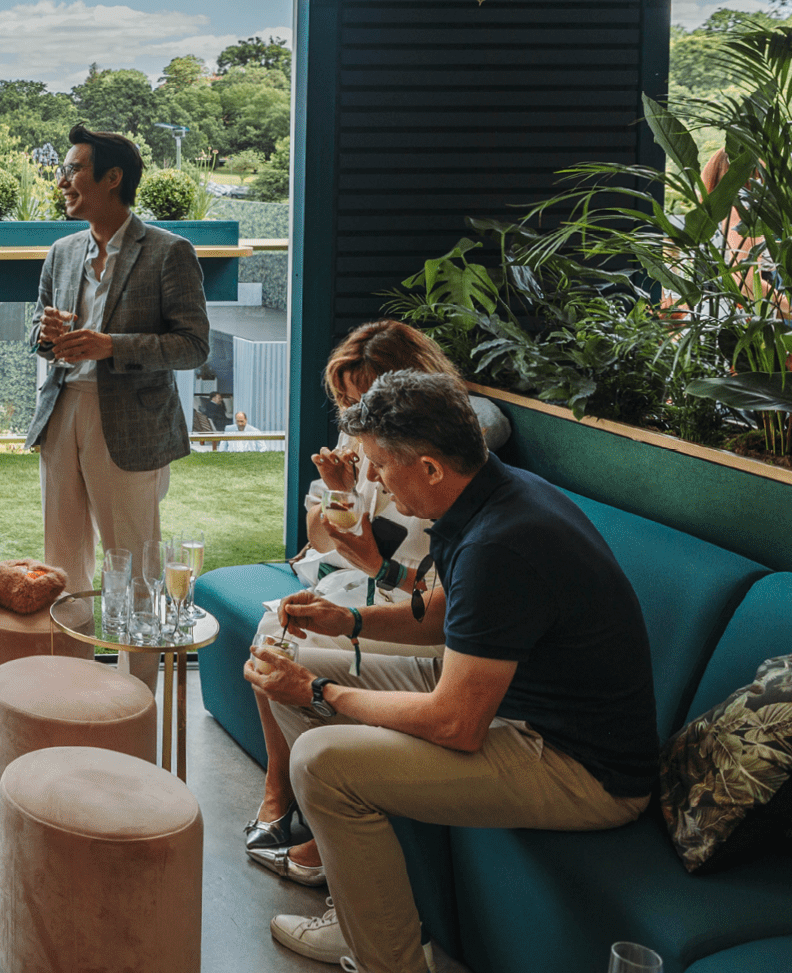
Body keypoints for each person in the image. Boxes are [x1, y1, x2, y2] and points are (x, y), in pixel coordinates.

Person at [245, 371, 659, 973]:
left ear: (432, 468)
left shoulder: (503, 544)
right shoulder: (493, 494)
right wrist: (347, 622)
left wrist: (319, 690)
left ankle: (390, 959)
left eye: (380, 467)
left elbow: (456, 723)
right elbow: (441, 617)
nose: (374, 481)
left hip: (582, 768)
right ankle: (366, 911)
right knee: (293, 664)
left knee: (320, 761)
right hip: (511, 704)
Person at [245, 320, 474, 887]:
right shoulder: (358, 442)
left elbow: (433, 594)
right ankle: (285, 791)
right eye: (345, 401)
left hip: (404, 596)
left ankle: (323, 821)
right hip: (359, 583)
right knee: (275, 635)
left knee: (285, 642)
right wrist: (342, 492)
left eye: (363, 398)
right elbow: (323, 538)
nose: (351, 416)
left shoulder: (437, 461)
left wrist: (374, 564)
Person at [25, 126, 210, 683]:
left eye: (75, 169)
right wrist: (45, 331)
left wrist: (112, 347)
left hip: (130, 426)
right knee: (62, 558)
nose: (64, 182)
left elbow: (193, 344)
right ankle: (72, 686)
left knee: (134, 562)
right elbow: (36, 327)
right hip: (61, 415)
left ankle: (137, 695)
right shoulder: (61, 252)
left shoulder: (169, 252)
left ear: (113, 178)